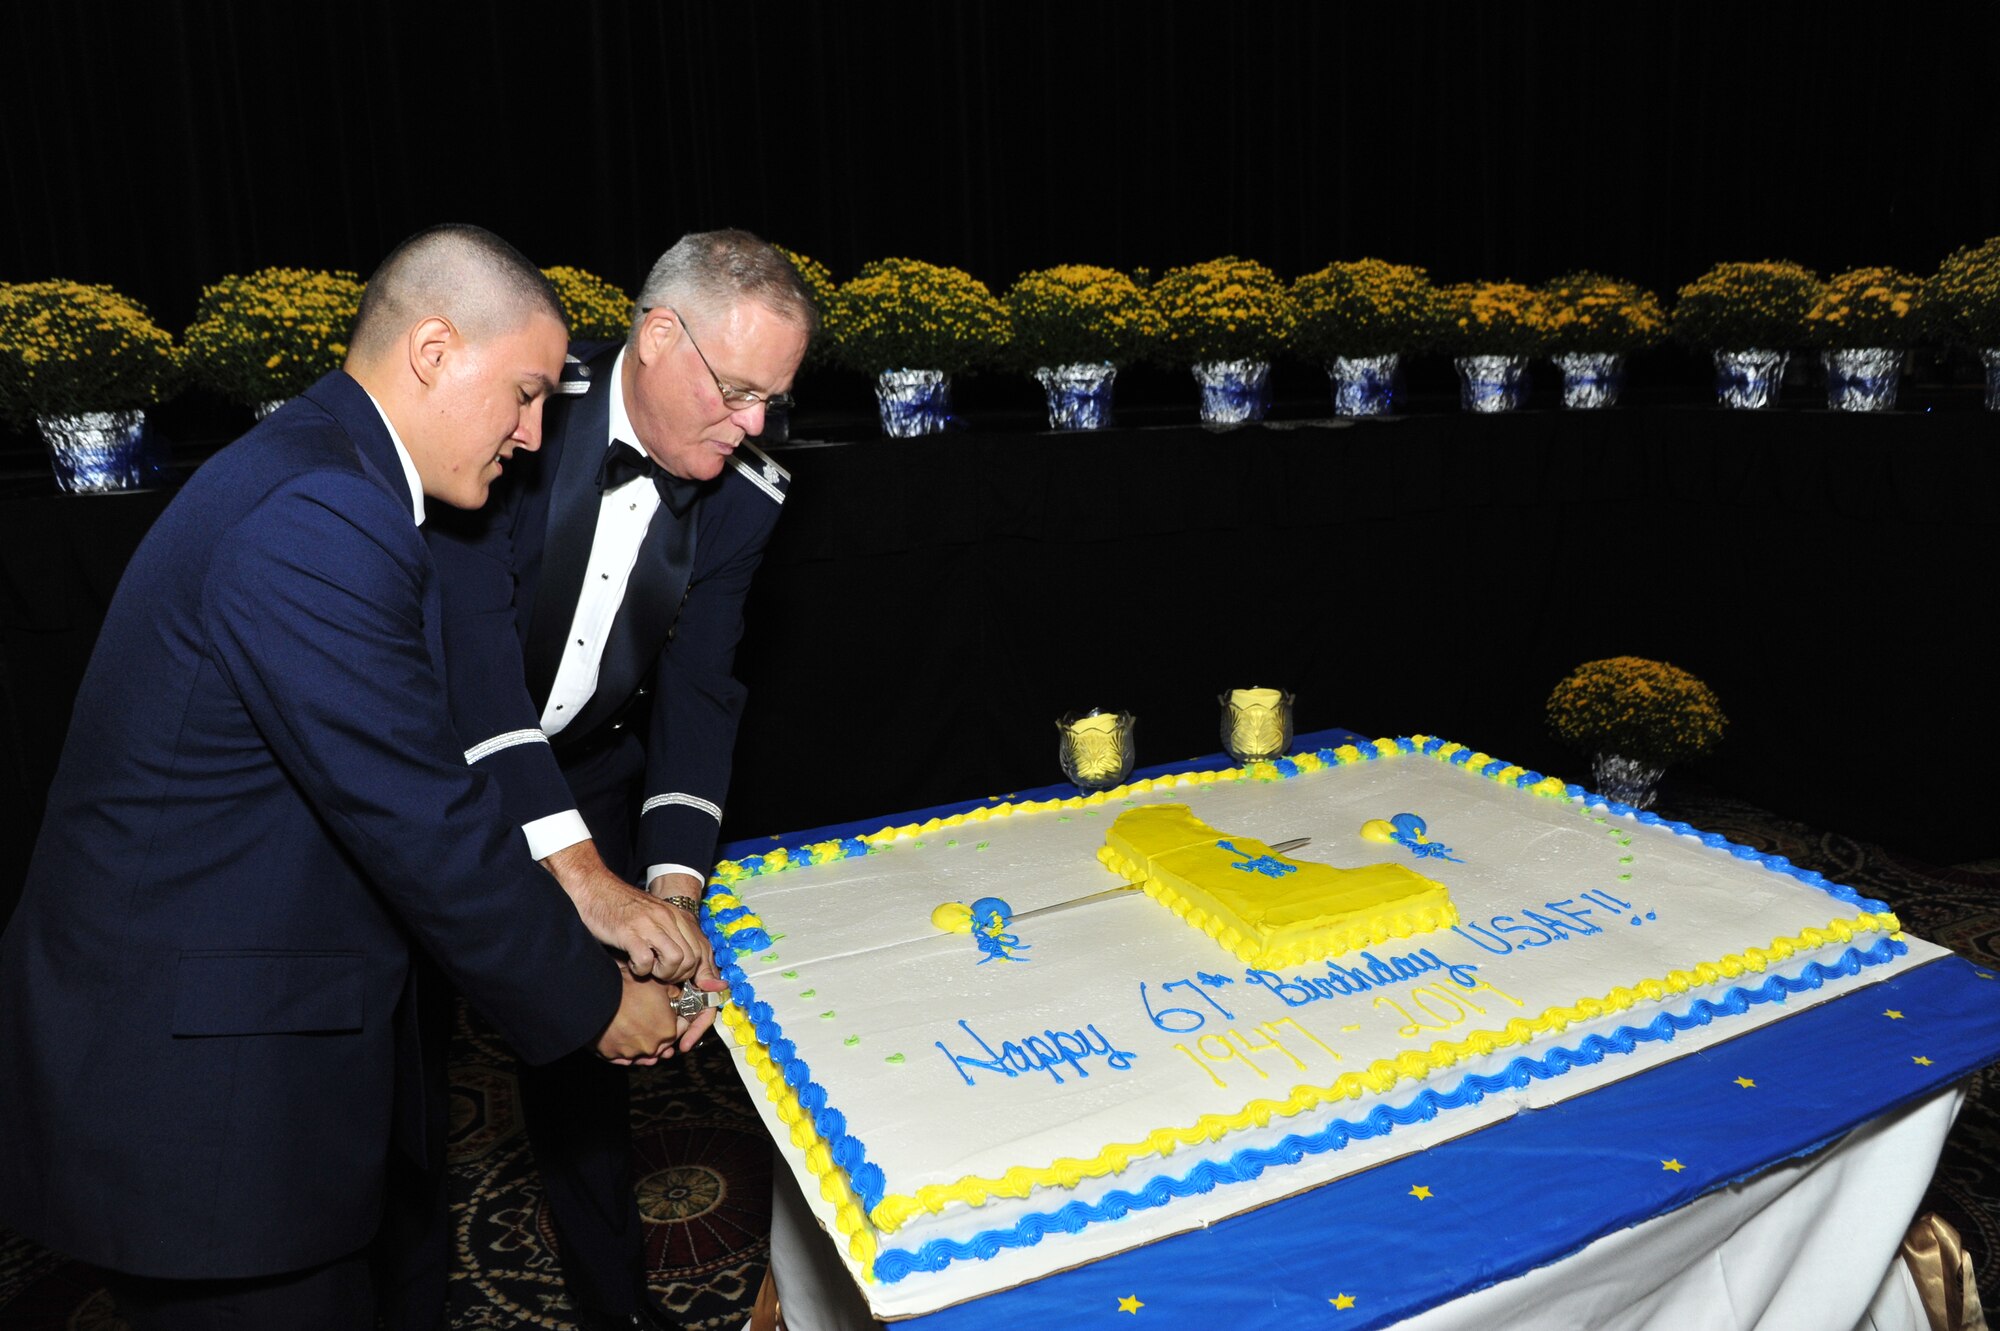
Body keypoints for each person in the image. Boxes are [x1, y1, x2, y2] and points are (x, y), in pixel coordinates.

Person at [0, 224, 704, 1331]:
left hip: (246, 1049)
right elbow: (422, 818)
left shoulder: (324, 474)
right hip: (202, 1102)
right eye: (524, 394)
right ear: (433, 350)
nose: (533, 434)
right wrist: (594, 1002)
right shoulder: (318, 512)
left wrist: (582, 901)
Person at [426, 228, 813, 1330]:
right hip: (435, 766)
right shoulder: (519, 419)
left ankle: (616, 1309)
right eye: (737, 390)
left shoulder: (744, 494)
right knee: (402, 1075)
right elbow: (474, 676)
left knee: (583, 1067)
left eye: (772, 401)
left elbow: (699, 689)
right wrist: (588, 880)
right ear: (656, 336)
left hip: (591, 767)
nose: (753, 425)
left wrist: (672, 889)